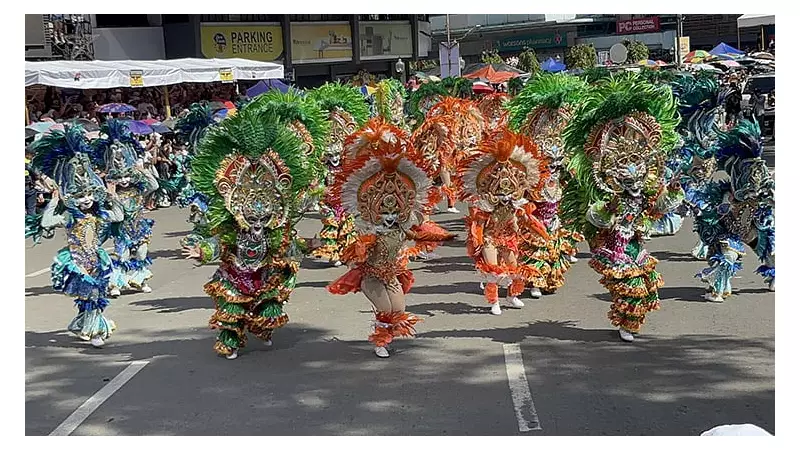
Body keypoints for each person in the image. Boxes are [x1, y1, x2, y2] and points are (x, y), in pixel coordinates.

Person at [181, 99, 321, 360]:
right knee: (232, 310)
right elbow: (218, 243)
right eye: (252, 219)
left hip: (264, 274)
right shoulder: (232, 227)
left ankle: (262, 328)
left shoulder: (274, 230)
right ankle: (230, 341)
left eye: (263, 219)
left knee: (266, 307)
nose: (257, 225)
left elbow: (287, 245)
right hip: (235, 274)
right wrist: (201, 251)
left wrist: (308, 246)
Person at [560, 73, 684, 342]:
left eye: (637, 165)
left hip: (636, 245)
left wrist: (673, 189)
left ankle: (629, 321)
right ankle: (626, 322)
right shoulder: (611, 195)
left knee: (647, 287)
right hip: (615, 246)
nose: (633, 173)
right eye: (625, 168)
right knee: (629, 285)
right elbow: (596, 217)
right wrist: (608, 209)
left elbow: (660, 205)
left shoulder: (646, 190)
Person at [327, 118, 450, 357]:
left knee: (398, 310)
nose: (390, 216)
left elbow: (418, 233)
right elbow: (356, 250)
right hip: (371, 276)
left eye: (395, 211)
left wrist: (442, 236)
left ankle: (386, 336)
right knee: (385, 310)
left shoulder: (401, 227)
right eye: (385, 211)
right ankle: (380, 343)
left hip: (393, 273)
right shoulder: (367, 228)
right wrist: (361, 248)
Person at [33, 124, 125, 348]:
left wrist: (111, 197)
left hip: (97, 260)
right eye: (81, 196)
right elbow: (46, 222)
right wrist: (55, 200)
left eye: (89, 195)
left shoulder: (98, 215)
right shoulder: (70, 218)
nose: (86, 200)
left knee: (92, 297)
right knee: (92, 295)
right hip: (77, 263)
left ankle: (81, 325)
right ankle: (96, 332)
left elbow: (118, 215)